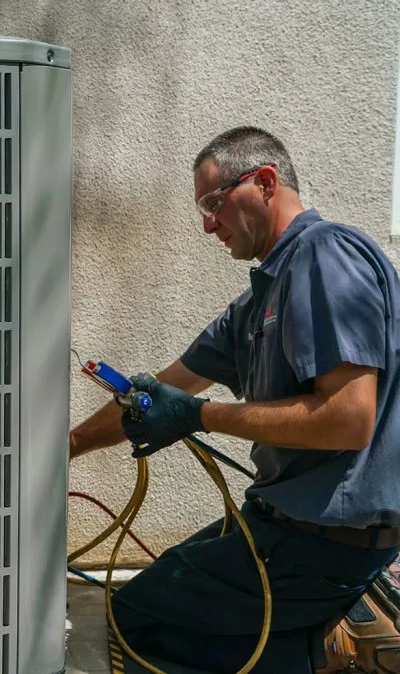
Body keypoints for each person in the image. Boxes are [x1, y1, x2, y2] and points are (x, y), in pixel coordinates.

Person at [69, 126, 400, 673]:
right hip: (278, 526)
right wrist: (70, 445)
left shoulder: (325, 255)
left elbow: (349, 418)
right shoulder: (255, 304)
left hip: (327, 545)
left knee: (137, 619)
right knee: (151, 597)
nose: (207, 224)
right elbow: (157, 392)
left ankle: (313, 644)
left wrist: (199, 416)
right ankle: (311, 641)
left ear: (265, 182)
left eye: (214, 202)